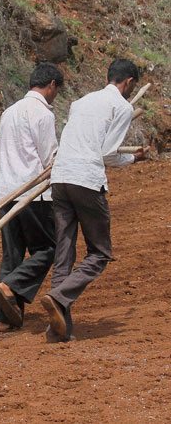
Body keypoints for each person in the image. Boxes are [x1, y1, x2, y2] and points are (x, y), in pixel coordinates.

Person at [41, 59, 149, 342]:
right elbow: (108, 154)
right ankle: (59, 296)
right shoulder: (122, 107)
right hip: (86, 179)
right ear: (129, 82)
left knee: (64, 252)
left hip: (60, 178)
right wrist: (134, 159)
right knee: (100, 252)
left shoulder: (81, 102)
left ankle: (58, 330)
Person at [0, 63, 63, 333]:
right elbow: (50, 158)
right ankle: (10, 286)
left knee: (12, 254)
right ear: (52, 85)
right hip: (34, 194)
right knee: (49, 248)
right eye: (57, 90)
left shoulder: (8, 112)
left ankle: (3, 319)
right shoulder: (43, 114)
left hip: (5, 192)